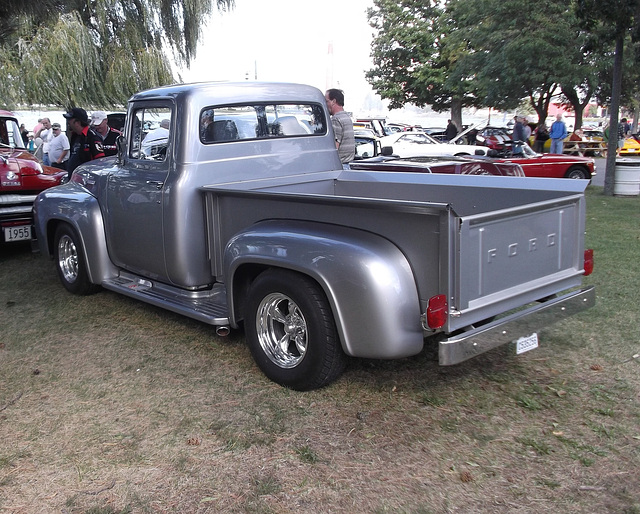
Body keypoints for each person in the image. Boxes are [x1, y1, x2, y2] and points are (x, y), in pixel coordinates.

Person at [63, 107, 105, 177]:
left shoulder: (92, 136)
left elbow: (100, 162)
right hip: (73, 179)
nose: (68, 122)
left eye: (70, 120)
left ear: (77, 122)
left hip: (86, 181)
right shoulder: (75, 136)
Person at [325, 88, 355, 168]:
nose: (325, 104)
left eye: (327, 101)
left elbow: (335, 146)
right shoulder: (346, 117)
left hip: (339, 166)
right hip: (347, 165)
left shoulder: (336, 119)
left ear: (333, 101)